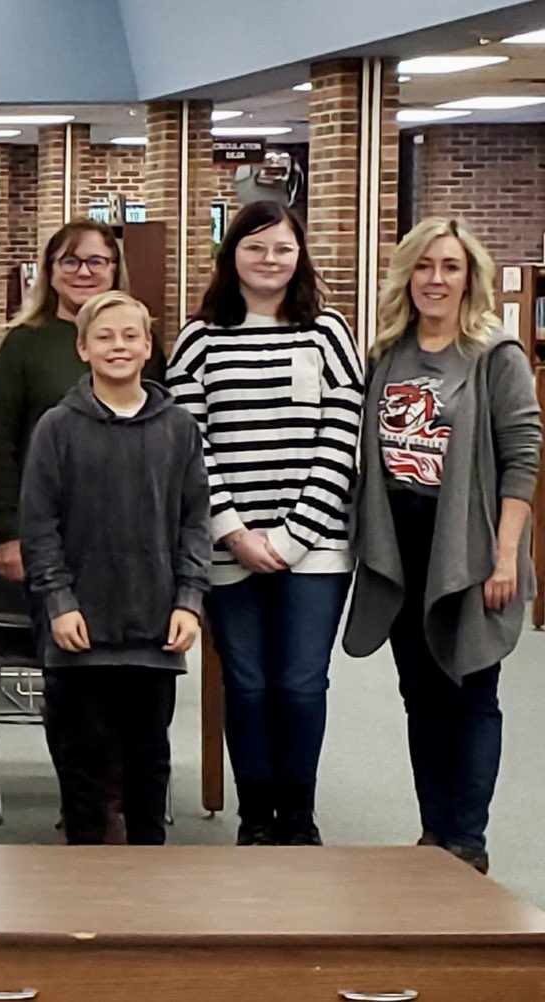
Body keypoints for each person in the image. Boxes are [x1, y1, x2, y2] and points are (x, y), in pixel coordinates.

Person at [343, 217, 540, 876]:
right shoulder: (387, 351)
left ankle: (467, 840)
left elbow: (522, 459)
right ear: (407, 275)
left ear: (469, 277)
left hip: (471, 543)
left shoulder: (495, 354)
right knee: (421, 695)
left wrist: (505, 555)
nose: (436, 279)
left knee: (471, 692)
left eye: (450, 267)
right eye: (424, 266)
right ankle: (435, 833)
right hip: (402, 542)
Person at [165, 201, 363, 847]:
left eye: (282, 248)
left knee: (301, 683)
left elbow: (342, 438)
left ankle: (297, 817)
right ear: (232, 256)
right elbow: (190, 445)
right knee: (246, 684)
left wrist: (294, 535)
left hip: (317, 545)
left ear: (299, 256)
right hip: (229, 545)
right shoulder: (200, 338)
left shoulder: (328, 333)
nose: (269, 260)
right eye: (255, 247)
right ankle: (255, 816)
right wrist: (233, 531)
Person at [20, 291, 209, 847]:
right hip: (79, 634)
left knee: (148, 767)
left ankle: (148, 879)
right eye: (104, 337)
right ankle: (84, 879)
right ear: (83, 348)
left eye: (131, 336)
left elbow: (195, 521)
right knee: (82, 770)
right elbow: (39, 526)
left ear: (149, 347)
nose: (118, 346)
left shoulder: (179, 427)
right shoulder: (57, 427)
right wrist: (59, 603)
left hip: (154, 633)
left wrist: (189, 601)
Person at [0, 220, 167, 583]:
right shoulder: (23, 343)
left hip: (130, 533)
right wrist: (7, 532)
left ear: (114, 269)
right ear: (50, 270)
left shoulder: (141, 345)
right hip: (45, 531)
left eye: (96, 261)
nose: (84, 272)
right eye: (70, 261)